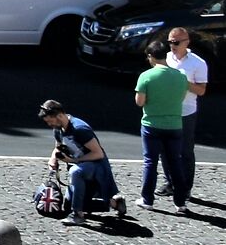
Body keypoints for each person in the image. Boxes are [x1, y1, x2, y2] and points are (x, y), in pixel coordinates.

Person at [38, 99, 125, 227]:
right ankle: (115, 203)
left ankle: (78, 215)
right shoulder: (58, 128)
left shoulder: (79, 129)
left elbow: (98, 153)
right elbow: (58, 146)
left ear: (60, 116)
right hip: (81, 163)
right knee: (68, 204)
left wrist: (73, 161)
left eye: (50, 121)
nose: (50, 125)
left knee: (75, 172)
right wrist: (53, 159)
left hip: (96, 165)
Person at [134, 37, 192, 213]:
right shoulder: (180, 76)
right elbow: (181, 98)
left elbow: (139, 102)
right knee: (175, 162)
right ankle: (180, 203)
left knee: (150, 162)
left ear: (151, 56)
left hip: (152, 124)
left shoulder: (146, 76)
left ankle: (147, 199)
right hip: (174, 125)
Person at [161, 27, 207, 203]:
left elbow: (201, 90)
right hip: (166, 110)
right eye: (170, 42)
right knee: (164, 149)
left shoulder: (197, 63)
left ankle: (186, 187)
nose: (172, 45)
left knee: (185, 151)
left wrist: (183, 83)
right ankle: (169, 182)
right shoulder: (165, 58)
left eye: (176, 42)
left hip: (186, 111)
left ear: (186, 42)